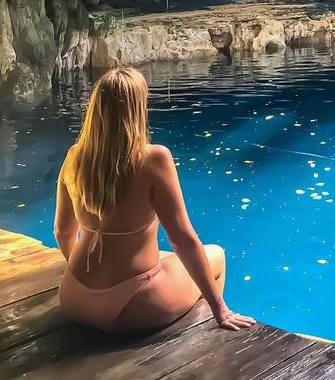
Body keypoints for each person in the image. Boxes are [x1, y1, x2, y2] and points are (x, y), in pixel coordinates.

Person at [54, 66, 254, 332]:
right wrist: (221, 307)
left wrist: (89, 284)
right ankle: (211, 328)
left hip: (74, 297)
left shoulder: (75, 156)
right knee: (215, 254)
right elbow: (182, 238)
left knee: (165, 258)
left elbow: (62, 232)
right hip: (132, 305)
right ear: (137, 109)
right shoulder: (153, 160)